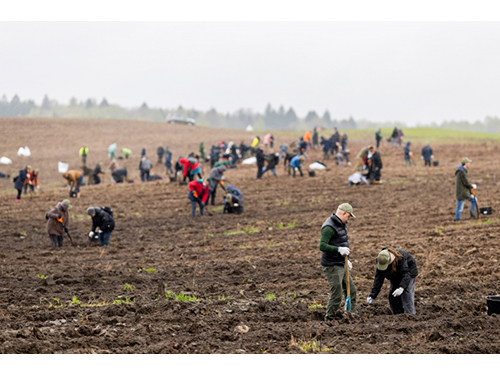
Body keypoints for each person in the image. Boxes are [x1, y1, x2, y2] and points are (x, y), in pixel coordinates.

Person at [320, 203, 357, 320]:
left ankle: (351, 314)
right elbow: (322, 245)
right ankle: (329, 320)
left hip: (341, 263)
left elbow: (342, 242)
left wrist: (347, 260)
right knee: (337, 294)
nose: (349, 219)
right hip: (332, 265)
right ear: (344, 213)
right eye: (349, 216)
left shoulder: (341, 224)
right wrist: (338, 249)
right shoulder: (329, 227)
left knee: (351, 290)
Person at [367, 247, 418, 316]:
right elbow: (378, 279)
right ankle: (398, 315)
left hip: (409, 273)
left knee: (407, 293)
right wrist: (372, 295)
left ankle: (410, 315)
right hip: (395, 275)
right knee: (393, 295)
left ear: (389, 261)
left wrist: (401, 288)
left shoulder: (400, 259)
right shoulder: (381, 260)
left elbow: (406, 275)